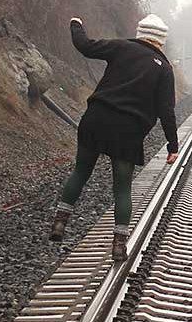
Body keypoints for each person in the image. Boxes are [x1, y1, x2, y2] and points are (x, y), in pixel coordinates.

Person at [49, 14, 179, 262]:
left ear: (140, 32)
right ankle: (118, 245)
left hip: (96, 119)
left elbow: (85, 46)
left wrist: (76, 24)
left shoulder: (121, 47)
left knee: (81, 171)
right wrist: (173, 145)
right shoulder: (164, 69)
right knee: (122, 187)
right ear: (161, 41)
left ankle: (59, 223)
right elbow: (166, 111)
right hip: (128, 131)